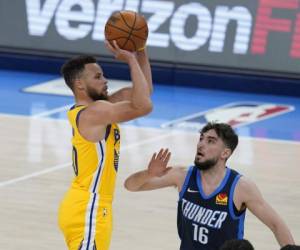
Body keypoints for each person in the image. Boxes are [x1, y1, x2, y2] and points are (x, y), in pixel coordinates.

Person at [124, 122, 295, 250]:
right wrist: (149, 173)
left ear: (225, 153)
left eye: (210, 141)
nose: (201, 144)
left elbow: (276, 225)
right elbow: (131, 186)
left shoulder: (240, 187)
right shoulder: (182, 175)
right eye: (201, 139)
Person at [58, 40, 153, 250]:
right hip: (89, 206)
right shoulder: (94, 112)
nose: (105, 80)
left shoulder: (99, 108)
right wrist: (129, 60)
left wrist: (141, 52)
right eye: (98, 76)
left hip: (87, 204)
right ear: (80, 84)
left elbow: (144, 93)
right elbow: (144, 106)